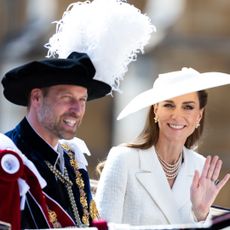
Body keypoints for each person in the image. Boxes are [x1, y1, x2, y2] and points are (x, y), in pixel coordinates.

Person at [1, 0, 154, 229]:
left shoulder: (72, 159)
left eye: (82, 100)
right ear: (36, 98)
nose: (77, 109)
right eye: (66, 98)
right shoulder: (9, 160)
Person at [95, 67, 230, 226]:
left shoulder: (200, 167)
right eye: (169, 105)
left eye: (188, 107)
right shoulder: (124, 159)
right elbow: (103, 228)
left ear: (199, 115)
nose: (177, 115)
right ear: (156, 110)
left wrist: (201, 214)